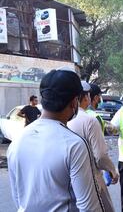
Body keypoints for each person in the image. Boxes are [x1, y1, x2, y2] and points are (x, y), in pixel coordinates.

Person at [7, 68, 105, 211]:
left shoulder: (17, 141)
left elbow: (19, 198)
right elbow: (89, 207)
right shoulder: (74, 144)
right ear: (74, 102)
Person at [68, 81, 119, 212]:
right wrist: (112, 170)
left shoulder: (60, 119)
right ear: (86, 97)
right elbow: (100, 156)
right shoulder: (91, 119)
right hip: (90, 178)